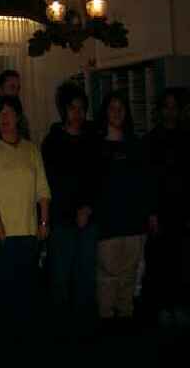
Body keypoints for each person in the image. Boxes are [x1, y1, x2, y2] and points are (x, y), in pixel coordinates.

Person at [0, 96, 50, 349]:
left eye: (9, 112)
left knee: (26, 290)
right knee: (3, 292)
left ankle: (24, 341)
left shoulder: (31, 149)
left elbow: (43, 189)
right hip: (1, 234)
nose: (4, 117)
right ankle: (2, 343)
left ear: (18, 116)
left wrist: (44, 221)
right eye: (0, 114)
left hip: (28, 231)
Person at [94, 91, 157, 326]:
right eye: (112, 107)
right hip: (108, 223)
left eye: (121, 108)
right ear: (105, 112)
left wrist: (150, 213)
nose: (117, 112)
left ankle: (125, 318)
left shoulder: (135, 145)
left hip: (133, 221)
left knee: (129, 274)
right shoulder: (96, 146)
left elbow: (146, 181)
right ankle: (107, 320)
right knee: (108, 275)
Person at [41, 81, 97, 338]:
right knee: (60, 278)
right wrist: (70, 211)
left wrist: (87, 207)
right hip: (62, 220)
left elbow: (98, 179)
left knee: (86, 276)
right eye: (73, 108)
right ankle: (60, 331)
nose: (77, 113)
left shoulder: (92, 139)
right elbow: (50, 184)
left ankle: (83, 329)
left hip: (88, 219)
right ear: (64, 110)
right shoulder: (52, 142)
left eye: (81, 108)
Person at [143, 88, 190, 326]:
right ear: (160, 110)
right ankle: (162, 307)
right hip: (159, 211)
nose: (170, 111)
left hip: (182, 210)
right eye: (166, 107)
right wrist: (152, 212)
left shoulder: (186, 137)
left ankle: (179, 304)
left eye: (174, 107)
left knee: (181, 260)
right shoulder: (151, 140)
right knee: (160, 261)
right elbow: (148, 179)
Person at [0, 70, 30, 139]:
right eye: (12, 87)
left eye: (18, 88)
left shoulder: (18, 110)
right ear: (0, 90)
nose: (16, 92)